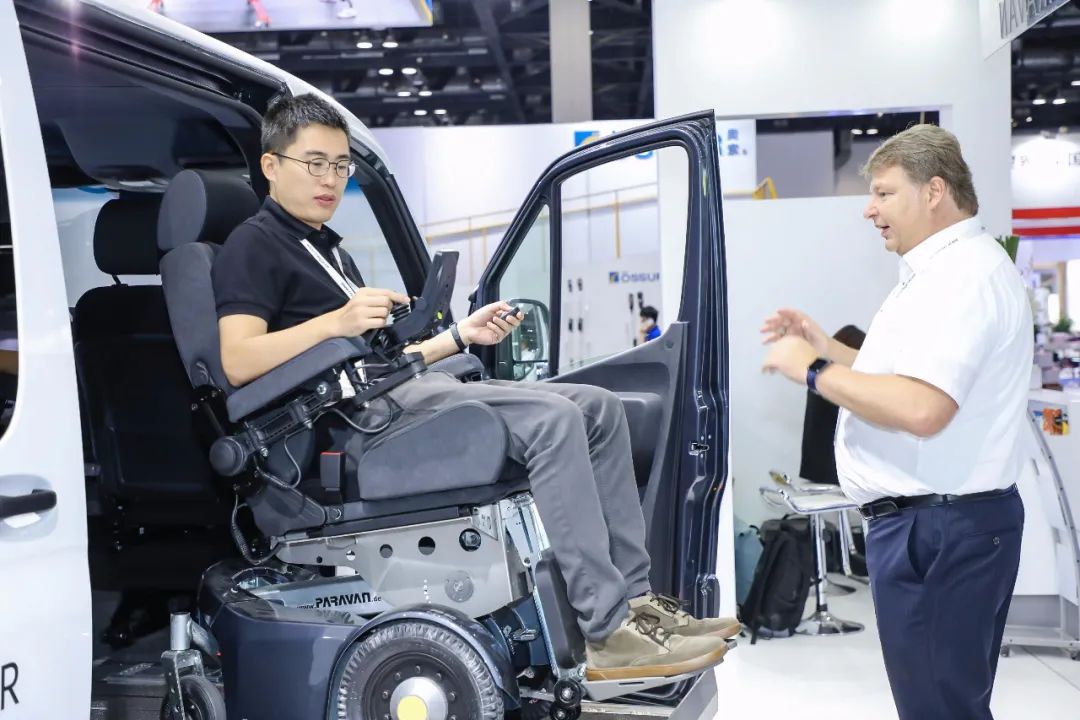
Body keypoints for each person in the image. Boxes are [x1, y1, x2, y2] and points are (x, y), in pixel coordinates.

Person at [211, 93, 739, 680]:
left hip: (395, 395)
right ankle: (607, 629)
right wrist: (336, 321)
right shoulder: (253, 245)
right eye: (315, 163)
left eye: (340, 165)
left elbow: (379, 362)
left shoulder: (325, 250)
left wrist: (460, 336)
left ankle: (637, 606)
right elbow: (237, 359)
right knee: (553, 420)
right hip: (354, 428)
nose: (331, 179)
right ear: (271, 165)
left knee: (599, 407)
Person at [759, 124, 1030, 720]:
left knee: (937, 708)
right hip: (934, 524)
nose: (869, 209)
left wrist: (814, 372)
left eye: (883, 193)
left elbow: (922, 408)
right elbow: (901, 377)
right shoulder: (941, 272)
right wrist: (826, 347)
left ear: (933, 191)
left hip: (940, 528)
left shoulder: (964, 279)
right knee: (939, 703)